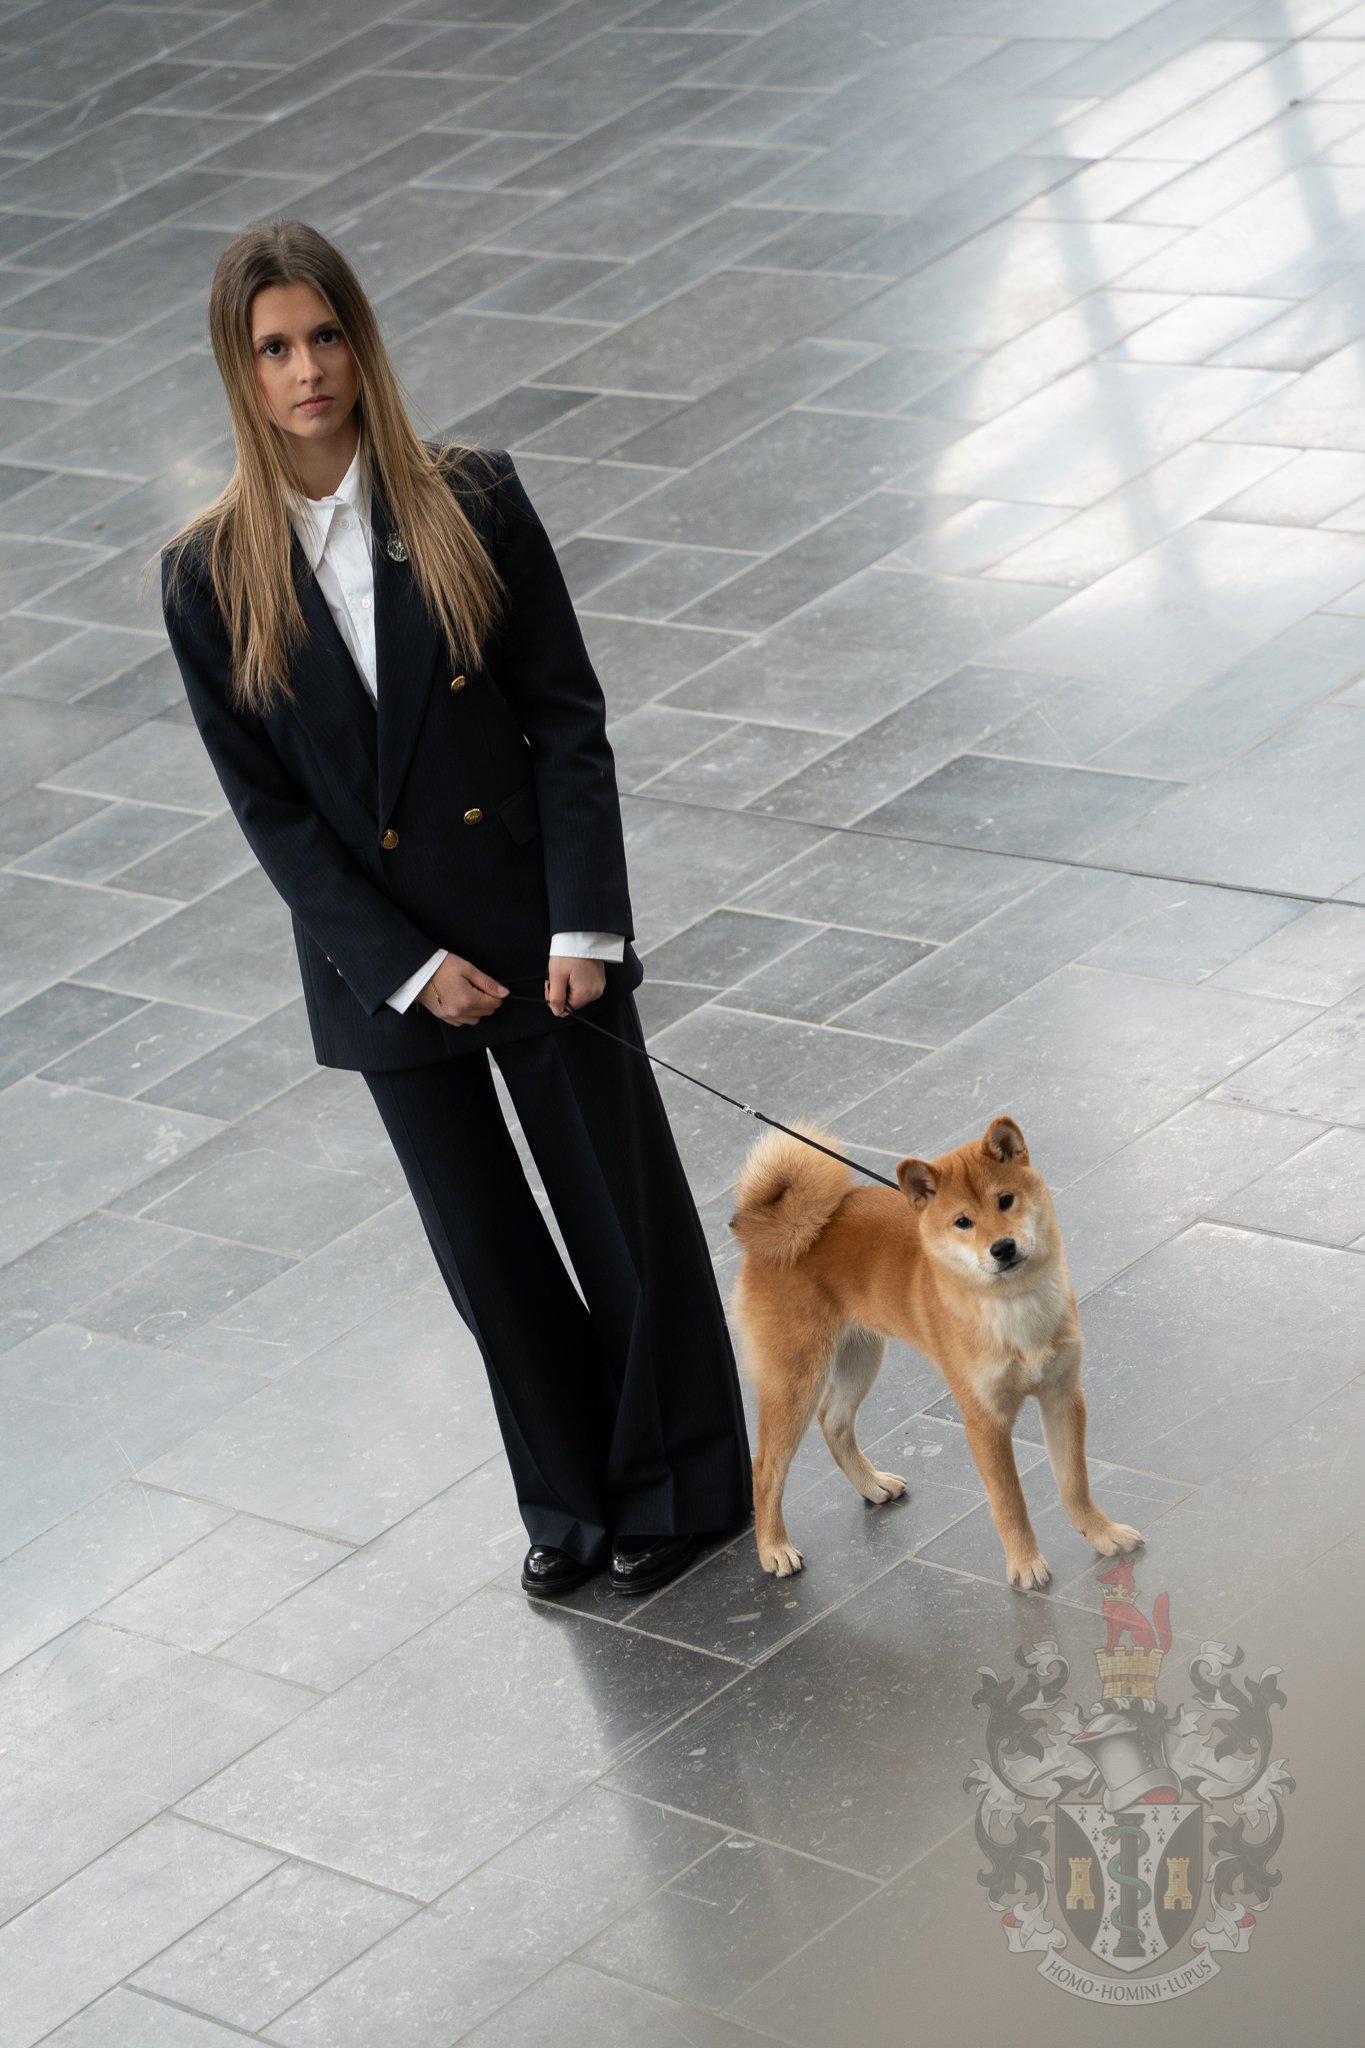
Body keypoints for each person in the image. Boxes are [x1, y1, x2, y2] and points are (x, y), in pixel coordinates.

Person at [159, 219, 751, 1599]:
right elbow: (274, 815)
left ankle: (683, 1483)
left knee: (622, 1216)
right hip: (389, 967)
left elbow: (566, 719)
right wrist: (407, 967)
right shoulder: (207, 576)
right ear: (239, 374)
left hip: (539, 931)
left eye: (323, 336)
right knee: (485, 1249)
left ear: (359, 343)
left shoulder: (469, 496)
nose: (306, 369)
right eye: (273, 349)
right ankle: (572, 1501)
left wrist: (583, 930)